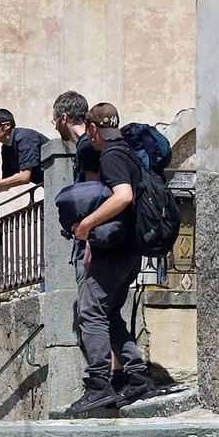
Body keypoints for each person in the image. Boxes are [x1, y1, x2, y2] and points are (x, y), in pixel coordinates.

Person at [63, 99, 151, 417]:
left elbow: (123, 196)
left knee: (91, 313)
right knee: (110, 313)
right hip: (129, 250)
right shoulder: (128, 152)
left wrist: (86, 225)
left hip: (112, 251)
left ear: (92, 128)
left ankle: (99, 385)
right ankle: (137, 376)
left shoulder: (111, 155)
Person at [0, 107, 47, 196]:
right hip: (51, 187)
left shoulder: (25, 137)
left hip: (60, 182)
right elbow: (5, 185)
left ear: (7, 125)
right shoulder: (6, 148)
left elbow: (24, 177)